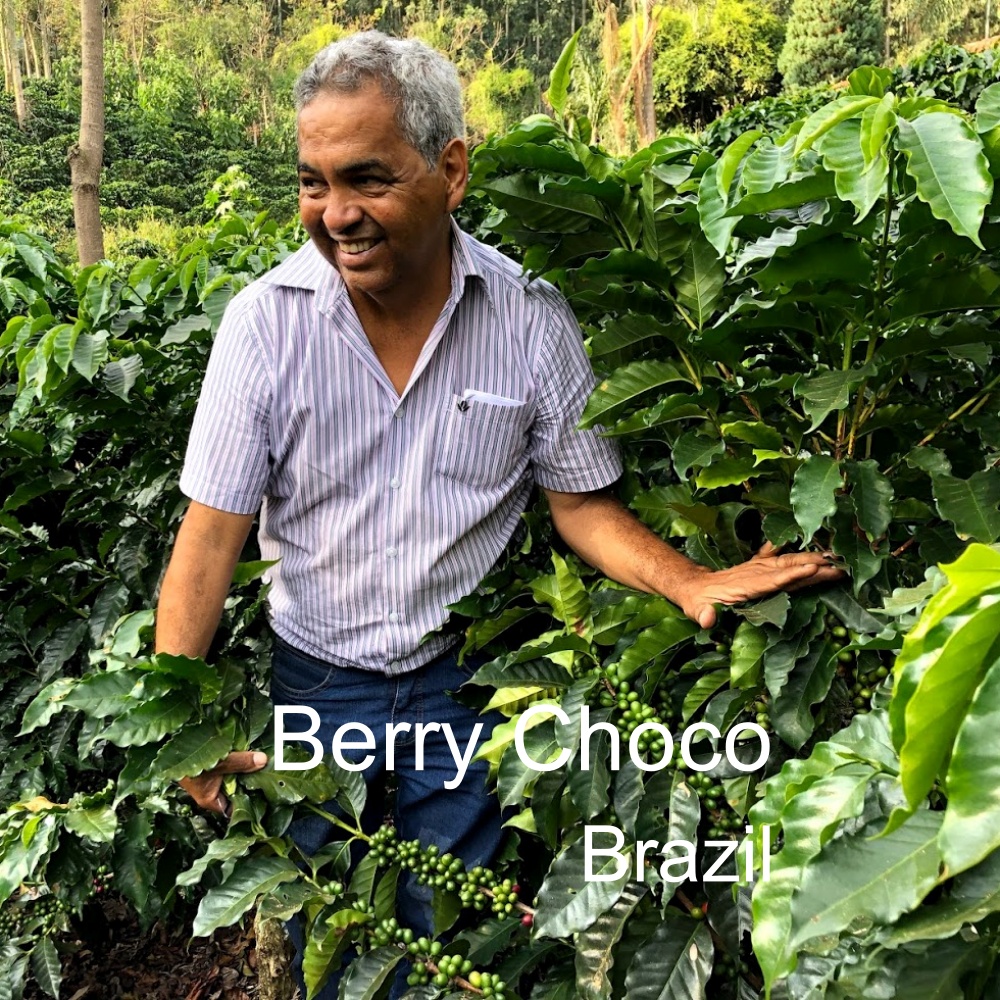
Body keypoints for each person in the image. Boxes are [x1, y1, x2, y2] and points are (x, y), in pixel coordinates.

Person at [154, 30, 841, 998]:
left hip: (460, 685)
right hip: (318, 685)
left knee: (457, 945)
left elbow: (579, 502)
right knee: (335, 941)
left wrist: (688, 581)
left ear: (451, 170)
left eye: (366, 179)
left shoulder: (528, 319)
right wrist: (177, 724)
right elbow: (208, 541)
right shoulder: (263, 327)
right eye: (312, 182)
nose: (335, 213)